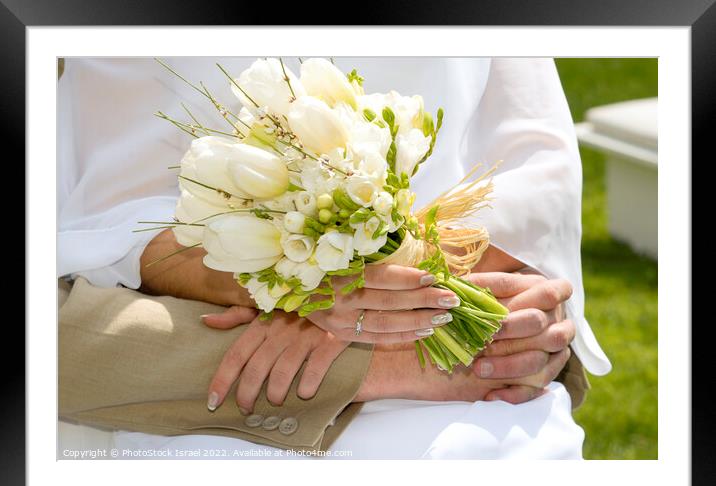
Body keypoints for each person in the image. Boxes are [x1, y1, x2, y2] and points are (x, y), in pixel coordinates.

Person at [58, 56, 611, 459]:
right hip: (224, 340)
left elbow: (538, 164)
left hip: (464, 308)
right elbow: (118, 216)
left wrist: (388, 284)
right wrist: (295, 289)